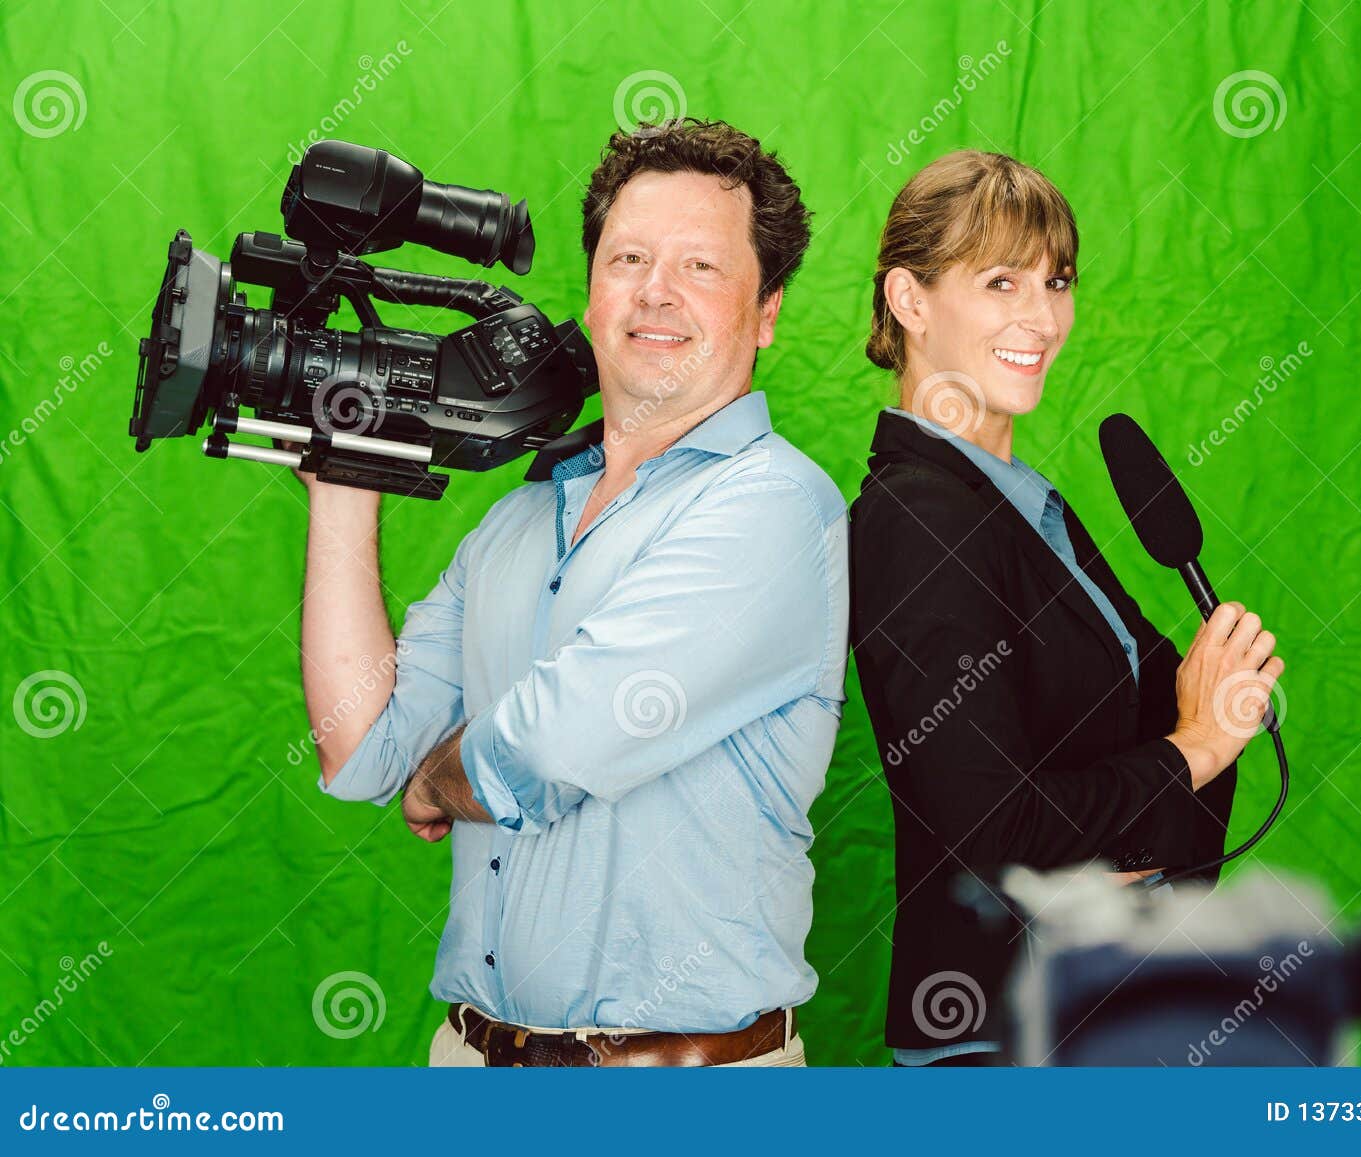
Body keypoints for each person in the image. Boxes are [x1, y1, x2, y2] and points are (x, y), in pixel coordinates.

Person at [294, 118, 846, 1067]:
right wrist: (346, 492)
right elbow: (363, 747)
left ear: (766, 312)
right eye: (629, 257)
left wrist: (441, 777)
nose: (656, 291)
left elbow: (548, 747)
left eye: (701, 268)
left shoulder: (777, 507)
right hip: (470, 1061)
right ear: (592, 295)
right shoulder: (513, 523)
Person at [848, 150, 1285, 1067]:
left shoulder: (1028, 506)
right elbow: (993, 830)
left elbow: (1135, 779)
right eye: (1000, 280)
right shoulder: (914, 518)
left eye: (1057, 281)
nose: (1041, 317)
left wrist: (1166, 781)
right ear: (910, 300)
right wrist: (1194, 747)